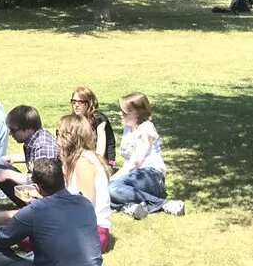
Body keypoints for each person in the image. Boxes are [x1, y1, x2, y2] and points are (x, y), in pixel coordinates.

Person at [107, 91, 185, 218]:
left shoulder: (146, 129)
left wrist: (113, 178)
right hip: (132, 177)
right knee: (103, 191)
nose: (120, 113)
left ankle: (164, 204)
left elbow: (136, 162)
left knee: (111, 188)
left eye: (124, 111)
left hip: (150, 176)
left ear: (136, 112)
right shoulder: (128, 127)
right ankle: (130, 207)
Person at [57, 113, 114, 251]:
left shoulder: (84, 162)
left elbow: (85, 205)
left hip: (91, 234)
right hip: (81, 227)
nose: (56, 139)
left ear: (69, 137)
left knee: (34, 235)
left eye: (59, 134)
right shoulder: (79, 158)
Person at [69, 86, 114, 163]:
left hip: (101, 161)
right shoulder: (71, 120)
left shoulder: (99, 120)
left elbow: (100, 150)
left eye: (81, 102)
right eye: (74, 102)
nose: (76, 105)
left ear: (89, 103)